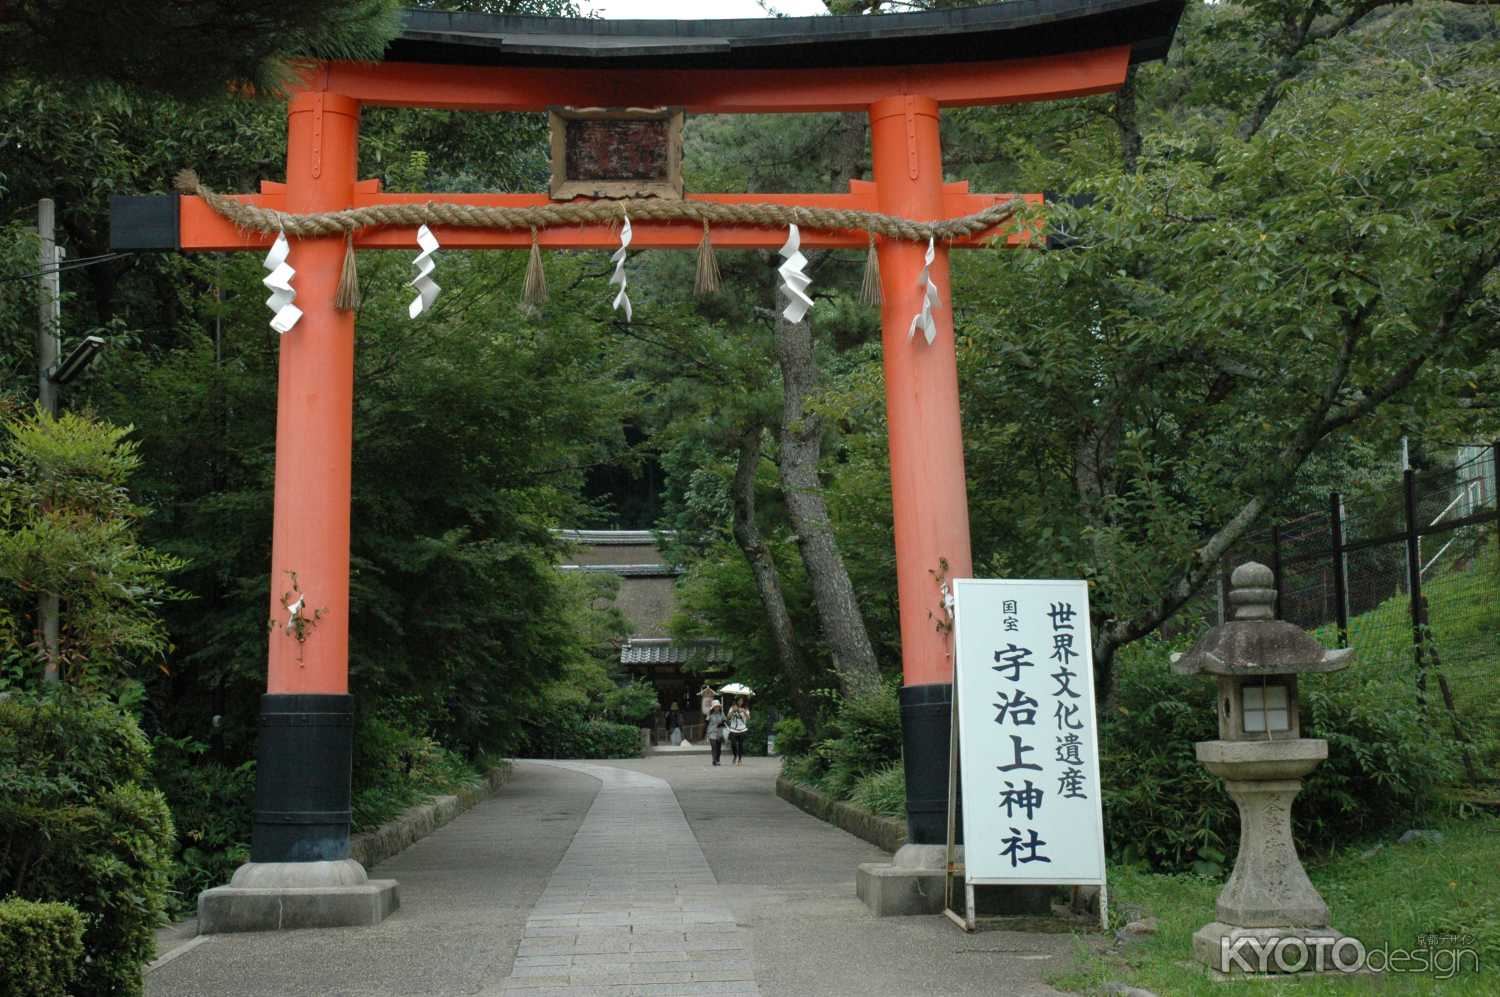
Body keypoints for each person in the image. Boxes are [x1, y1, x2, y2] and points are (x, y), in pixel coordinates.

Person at [726, 696, 751, 766]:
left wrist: (744, 711)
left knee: (740, 744)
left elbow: (749, 718)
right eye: (739, 701)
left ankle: (740, 759)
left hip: (742, 729)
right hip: (733, 729)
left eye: (742, 701)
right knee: (733, 744)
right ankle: (735, 755)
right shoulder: (732, 707)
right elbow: (728, 717)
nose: (740, 702)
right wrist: (733, 711)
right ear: (737, 701)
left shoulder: (745, 708)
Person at [704, 700, 727, 766]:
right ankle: (714, 760)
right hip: (711, 732)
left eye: (718, 707)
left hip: (719, 732)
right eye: (716, 707)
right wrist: (706, 734)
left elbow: (724, 721)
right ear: (713, 707)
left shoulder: (721, 713)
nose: (717, 708)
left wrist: (722, 723)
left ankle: (718, 759)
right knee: (714, 746)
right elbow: (706, 722)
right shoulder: (710, 713)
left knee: (718, 748)